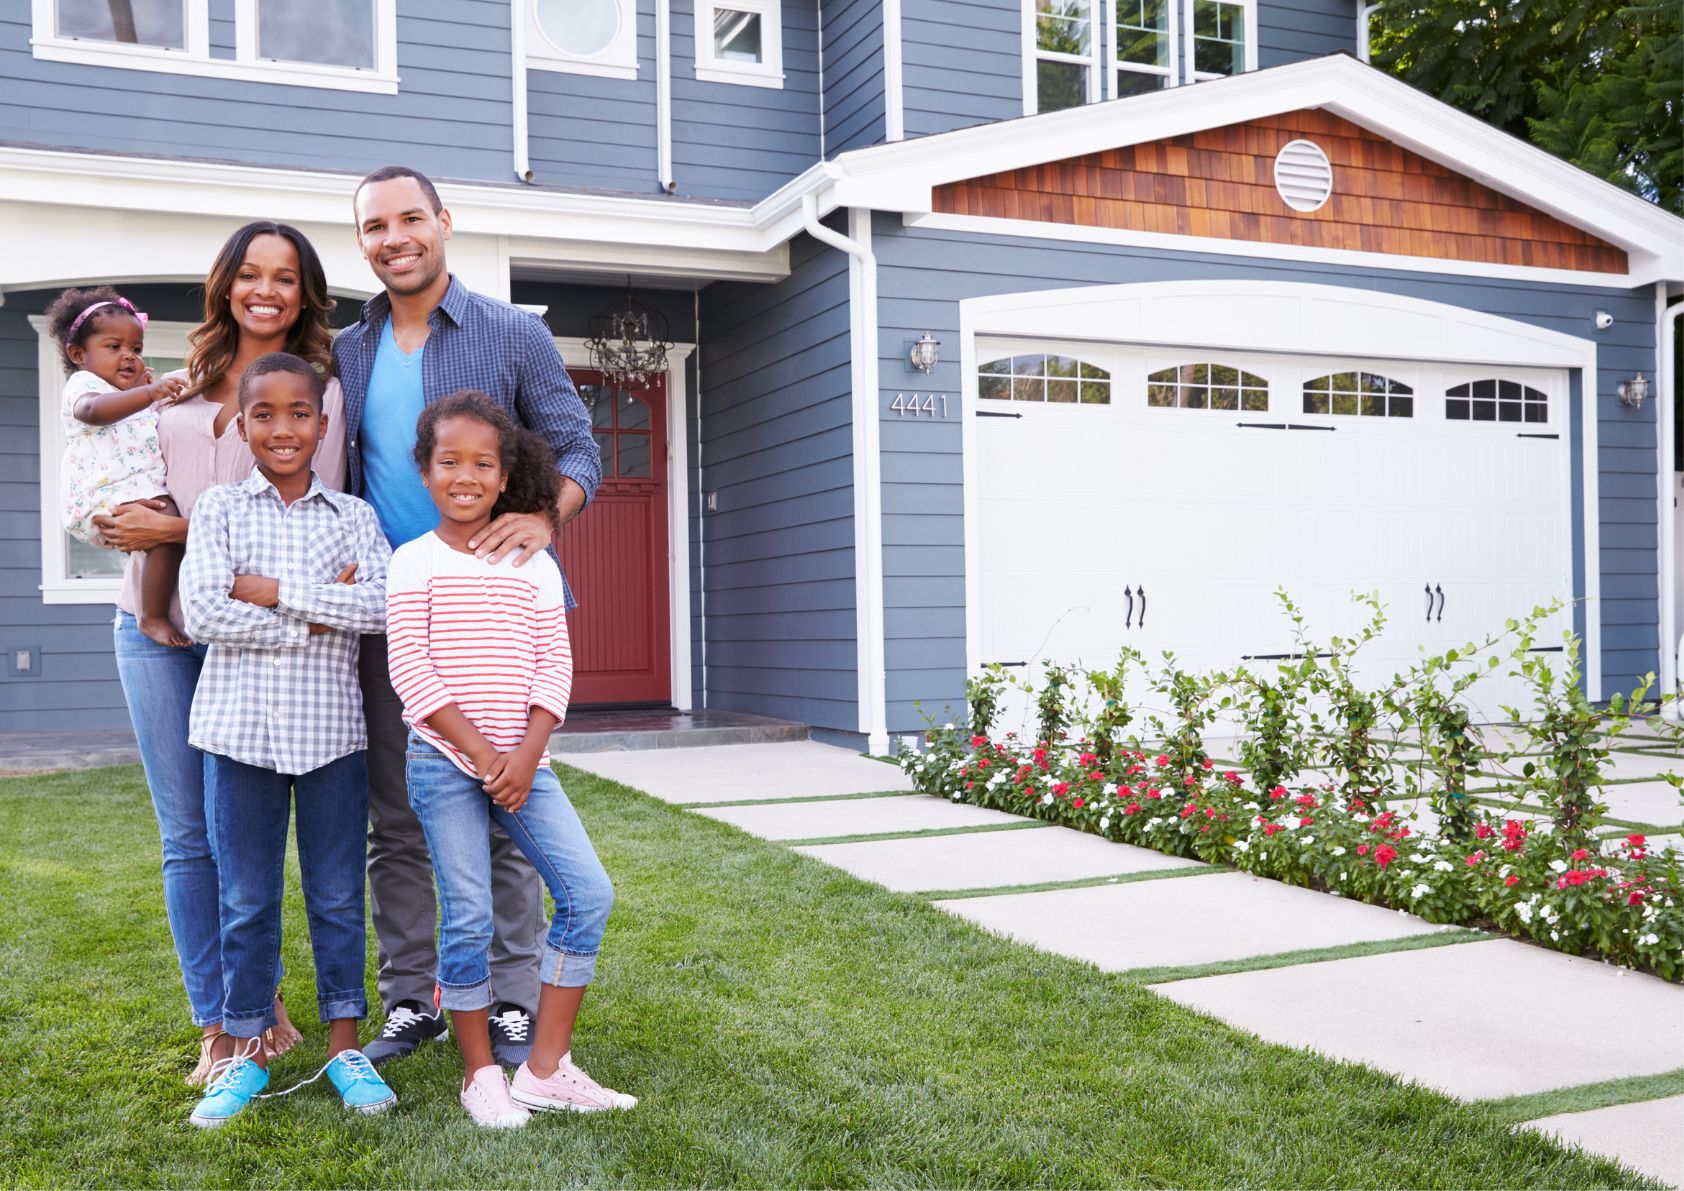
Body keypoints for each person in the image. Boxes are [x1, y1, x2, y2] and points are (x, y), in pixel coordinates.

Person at [334, 165, 601, 1067]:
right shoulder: (348, 349)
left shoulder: (511, 333)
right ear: (362, 241)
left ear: (444, 222)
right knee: (399, 816)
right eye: (375, 225)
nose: (394, 236)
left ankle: (514, 999)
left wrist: (545, 514)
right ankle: (412, 999)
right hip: (399, 614)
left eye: (411, 217)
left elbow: (578, 447)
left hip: (503, 613)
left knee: (510, 811)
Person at [94, 221, 347, 1084]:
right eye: (249, 273)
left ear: (305, 292)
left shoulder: (323, 394)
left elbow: (311, 531)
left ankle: (258, 997)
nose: (265, 290)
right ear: (226, 284)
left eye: (284, 276)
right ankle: (223, 1018)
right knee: (186, 837)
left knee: (251, 836)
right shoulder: (172, 384)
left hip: (255, 643)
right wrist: (127, 522)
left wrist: (172, 525)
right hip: (155, 627)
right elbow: (124, 496)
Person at [389, 392, 631, 1127]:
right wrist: (487, 755)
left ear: (505, 476)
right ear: (424, 473)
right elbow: (412, 673)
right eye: (449, 461)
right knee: (468, 916)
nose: (465, 475)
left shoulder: (536, 564)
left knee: (587, 895)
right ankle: (479, 1074)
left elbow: (553, 668)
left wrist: (525, 756)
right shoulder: (412, 562)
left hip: (528, 762)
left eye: (482, 463)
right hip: (444, 760)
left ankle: (545, 1069)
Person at [180, 353, 395, 1128]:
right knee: (245, 898)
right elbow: (203, 611)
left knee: (338, 895)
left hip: (332, 735)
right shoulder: (217, 511)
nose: (282, 428)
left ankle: (345, 1046)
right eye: (263, 414)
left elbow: (376, 606)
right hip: (238, 736)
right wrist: (316, 608)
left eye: (299, 413)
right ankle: (242, 1049)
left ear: (323, 424)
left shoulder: (355, 519)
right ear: (243, 426)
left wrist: (270, 592)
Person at [47, 287, 189, 647]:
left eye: (136, 349)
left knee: (163, 530)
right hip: (102, 493)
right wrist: (148, 392)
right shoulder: (84, 386)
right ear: (79, 354)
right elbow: (93, 412)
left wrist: (143, 393)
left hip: (132, 489)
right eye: (114, 348)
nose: (128, 357)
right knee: (166, 527)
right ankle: (151, 616)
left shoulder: (131, 395)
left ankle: (155, 609)